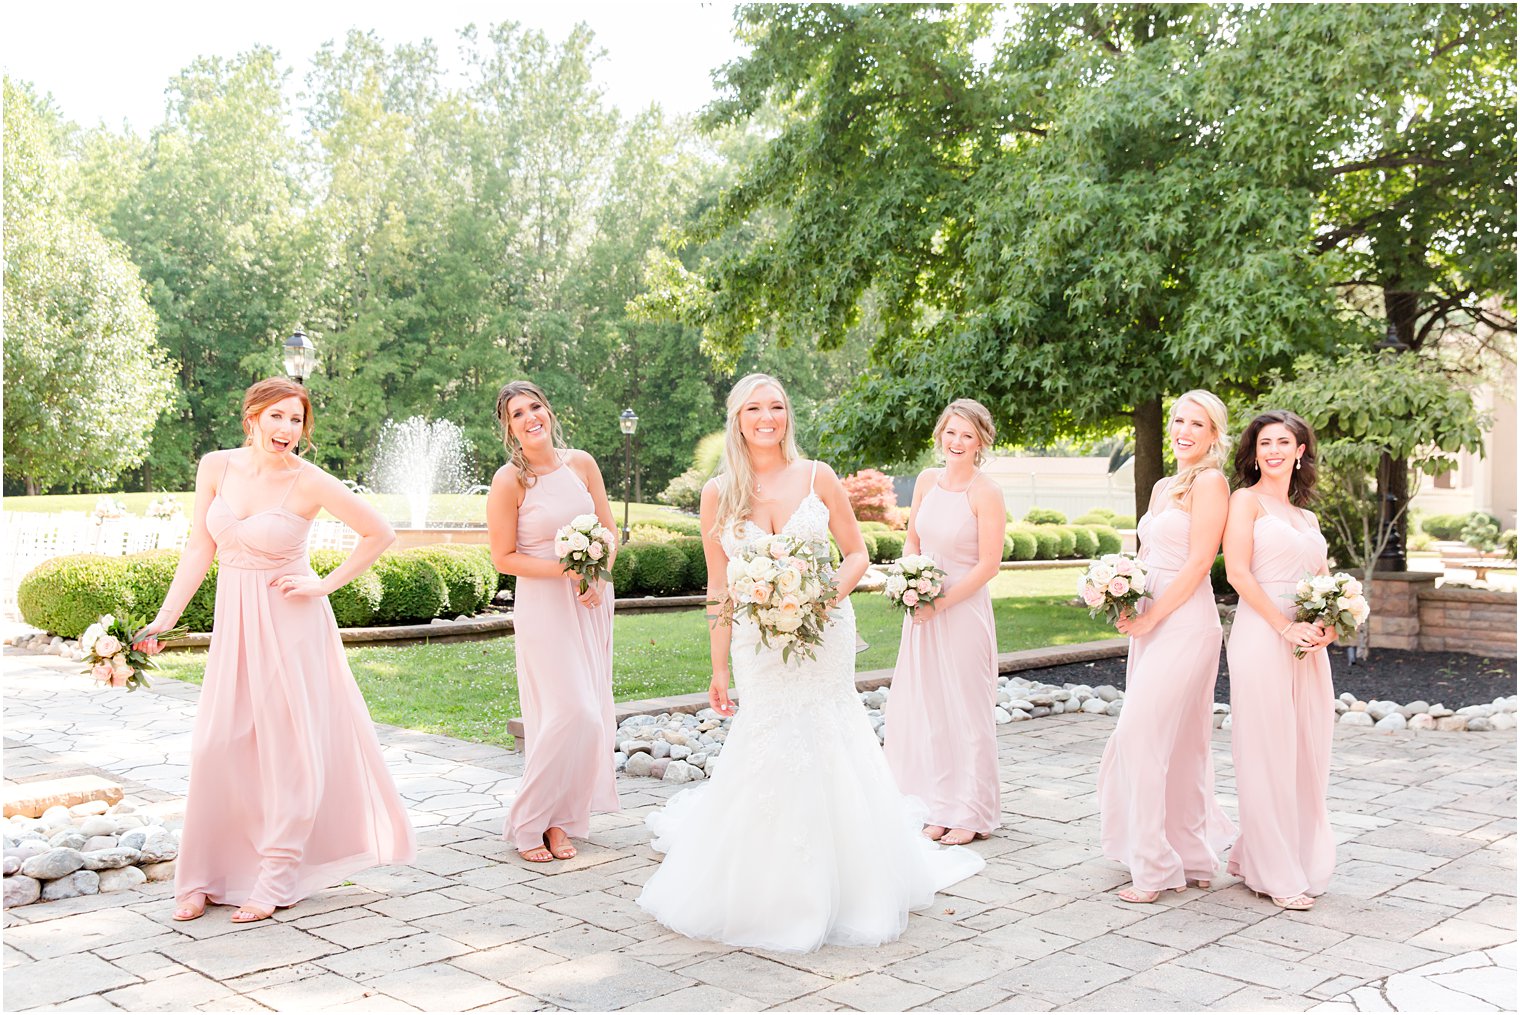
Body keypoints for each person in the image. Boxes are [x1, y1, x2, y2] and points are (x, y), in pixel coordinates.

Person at [636, 373, 984, 953]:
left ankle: (851, 881)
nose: (767, 417)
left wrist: (823, 597)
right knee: (768, 739)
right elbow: (719, 589)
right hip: (758, 643)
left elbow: (856, 552)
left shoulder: (817, 476)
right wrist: (717, 668)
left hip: (824, 632)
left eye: (776, 407)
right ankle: (763, 884)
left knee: (831, 735)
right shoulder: (718, 494)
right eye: (754, 408)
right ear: (737, 418)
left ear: (786, 416)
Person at [140, 378, 414, 924]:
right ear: (253, 417)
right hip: (236, 623)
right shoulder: (216, 466)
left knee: (288, 755)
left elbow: (378, 533)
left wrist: (322, 585)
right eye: (278, 417)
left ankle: (276, 876)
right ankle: (202, 877)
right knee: (218, 746)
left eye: (297, 420)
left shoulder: (309, 481)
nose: (287, 430)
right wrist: (165, 618)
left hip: (291, 625)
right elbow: (201, 545)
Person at [1097, 390, 1237, 903]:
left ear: (1214, 435)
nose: (1183, 430)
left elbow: (1200, 562)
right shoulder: (1161, 486)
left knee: (1141, 736)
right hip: (1151, 623)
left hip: (1186, 622)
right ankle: (1193, 856)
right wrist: (1126, 597)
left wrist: (1156, 611)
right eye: (1179, 419)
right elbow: (1145, 554)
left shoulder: (1212, 483)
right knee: (1177, 743)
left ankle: (1154, 867)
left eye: (1196, 423)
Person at [487, 380, 619, 863]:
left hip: (591, 602)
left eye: (534, 407)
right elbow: (503, 557)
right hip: (544, 604)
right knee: (571, 711)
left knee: (589, 718)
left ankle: (560, 822)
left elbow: (608, 529)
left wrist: (597, 574)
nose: (529, 418)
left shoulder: (581, 463)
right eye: (517, 414)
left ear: (549, 410)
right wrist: (566, 569)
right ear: (509, 428)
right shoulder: (510, 480)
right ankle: (527, 818)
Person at [1223, 409, 1338, 911]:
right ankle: (1274, 871)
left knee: (1307, 749)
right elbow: (1237, 573)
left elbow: (1326, 580)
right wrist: (1282, 623)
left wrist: (1333, 622)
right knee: (1267, 748)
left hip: (1307, 643)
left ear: (1300, 451)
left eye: (1283, 441)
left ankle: (1269, 853)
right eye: (1264, 442)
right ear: (1255, 452)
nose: (1273, 450)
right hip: (1262, 632)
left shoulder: (1307, 518)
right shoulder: (1244, 502)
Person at [884, 399, 1004, 845]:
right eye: (951, 432)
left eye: (967, 435)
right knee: (929, 708)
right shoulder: (926, 481)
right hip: (923, 611)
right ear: (940, 434)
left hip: (963, 611)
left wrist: (943, 601)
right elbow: (912, 538)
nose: (957, 442)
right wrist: (909, 584)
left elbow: (989, 564)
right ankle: (937, 805)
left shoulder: (985, 491)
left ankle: (971, 811)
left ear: (981, 442)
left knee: (966, 710)